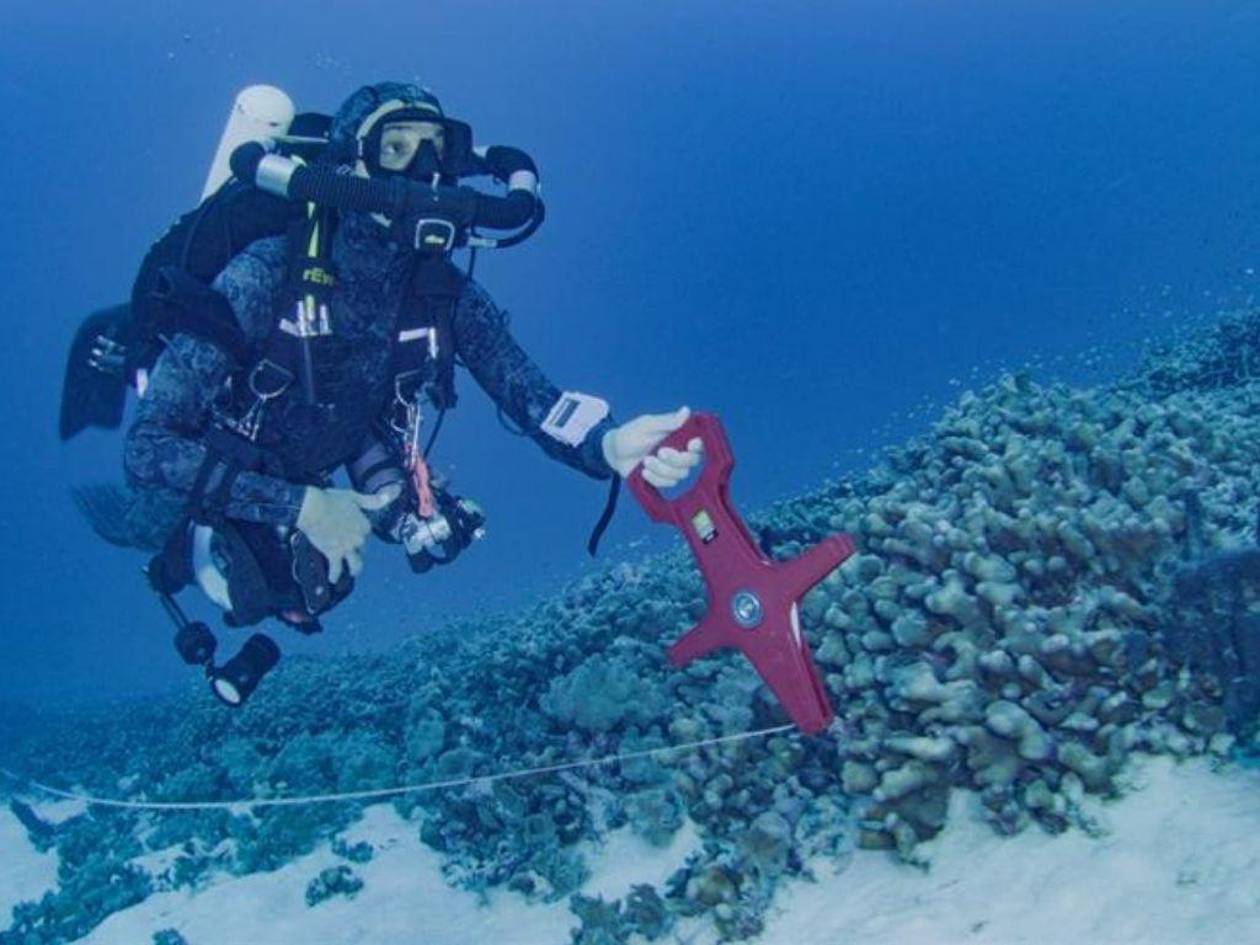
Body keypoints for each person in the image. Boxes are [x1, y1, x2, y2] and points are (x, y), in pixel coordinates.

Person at [119, 81, 702, 702]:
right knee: (247, 580)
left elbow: (530, 395)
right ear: (349, 166)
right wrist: (305, 507)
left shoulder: (440, 290)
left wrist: (608, 445)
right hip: (221, 460)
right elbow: (148, 450)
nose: (422, 171)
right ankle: (188, 550)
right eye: (395, 148)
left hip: (331, 446)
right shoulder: (265, 275)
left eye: (435, 151)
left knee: (323, 576)